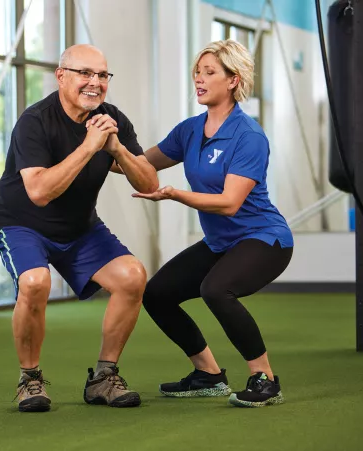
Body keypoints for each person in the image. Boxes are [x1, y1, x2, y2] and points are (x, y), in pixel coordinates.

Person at [0, 44, 159, 412]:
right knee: (34, 282)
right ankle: (29, 380)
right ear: (61, 76)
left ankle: (103, 378)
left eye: (101, 75)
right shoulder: (35, 121)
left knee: (132, 277)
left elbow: (148, 184)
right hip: (21, 223)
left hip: (79, 228)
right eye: (85, 73)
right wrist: (88, 146)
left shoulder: (111, 118)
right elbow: (38, 192)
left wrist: (118, 150)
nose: (94, 83)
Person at [131, 39, 293, 408]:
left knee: (216, 289)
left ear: (233, 80)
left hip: (264, 238)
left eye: (209, 73)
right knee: (157, 294)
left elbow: (229, 203)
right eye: (197, 72)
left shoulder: (248, 135)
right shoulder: (190, 130)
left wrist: (174, 195)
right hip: (221, 243)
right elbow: (141, 165)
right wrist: (104, 146)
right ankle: (208, 374)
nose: (199, 80)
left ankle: (264, 379)